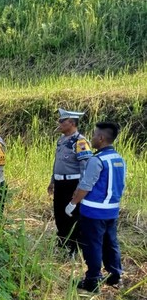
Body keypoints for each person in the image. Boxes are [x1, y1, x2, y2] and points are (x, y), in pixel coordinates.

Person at [67, 121, 126, 293]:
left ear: (101, 138)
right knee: (111, 242)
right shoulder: (119, 159)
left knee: (93, 245)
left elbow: (85, 186)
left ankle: (92, 280)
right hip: (112, 210)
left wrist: (72, 204)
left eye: (94, 135)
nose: (91, 138)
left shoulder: (97, 160)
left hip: (93, 211)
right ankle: (115, 275)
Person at [48, 108, 93, 257]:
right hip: (60, 183)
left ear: (72, 123)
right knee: (59, 214)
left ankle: (74, 248)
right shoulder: (61, 140)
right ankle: (62, 245)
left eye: (62, 121)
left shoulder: (80, 141)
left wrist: (80, 188)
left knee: (72, 216)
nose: (59, 123)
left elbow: (86, 167)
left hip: (73, 184)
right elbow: (57, 163)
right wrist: (53, 181)